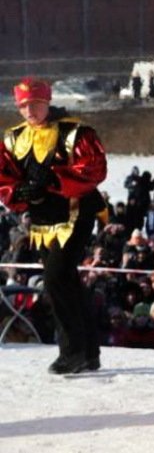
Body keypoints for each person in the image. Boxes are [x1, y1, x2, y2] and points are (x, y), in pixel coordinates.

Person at [0, 78, 107, 374]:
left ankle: (71, 351)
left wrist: (53, 180)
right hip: (42, 222)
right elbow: (3, 175)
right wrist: (17, 192)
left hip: (76, 215)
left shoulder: (76, 132)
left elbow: (95, 168)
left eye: (34, 104)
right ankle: (88, 353)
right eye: (23, 105)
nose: (29, 110)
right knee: (67, 281)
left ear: (47, 102)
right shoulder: (12, 138)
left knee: (56, 278)